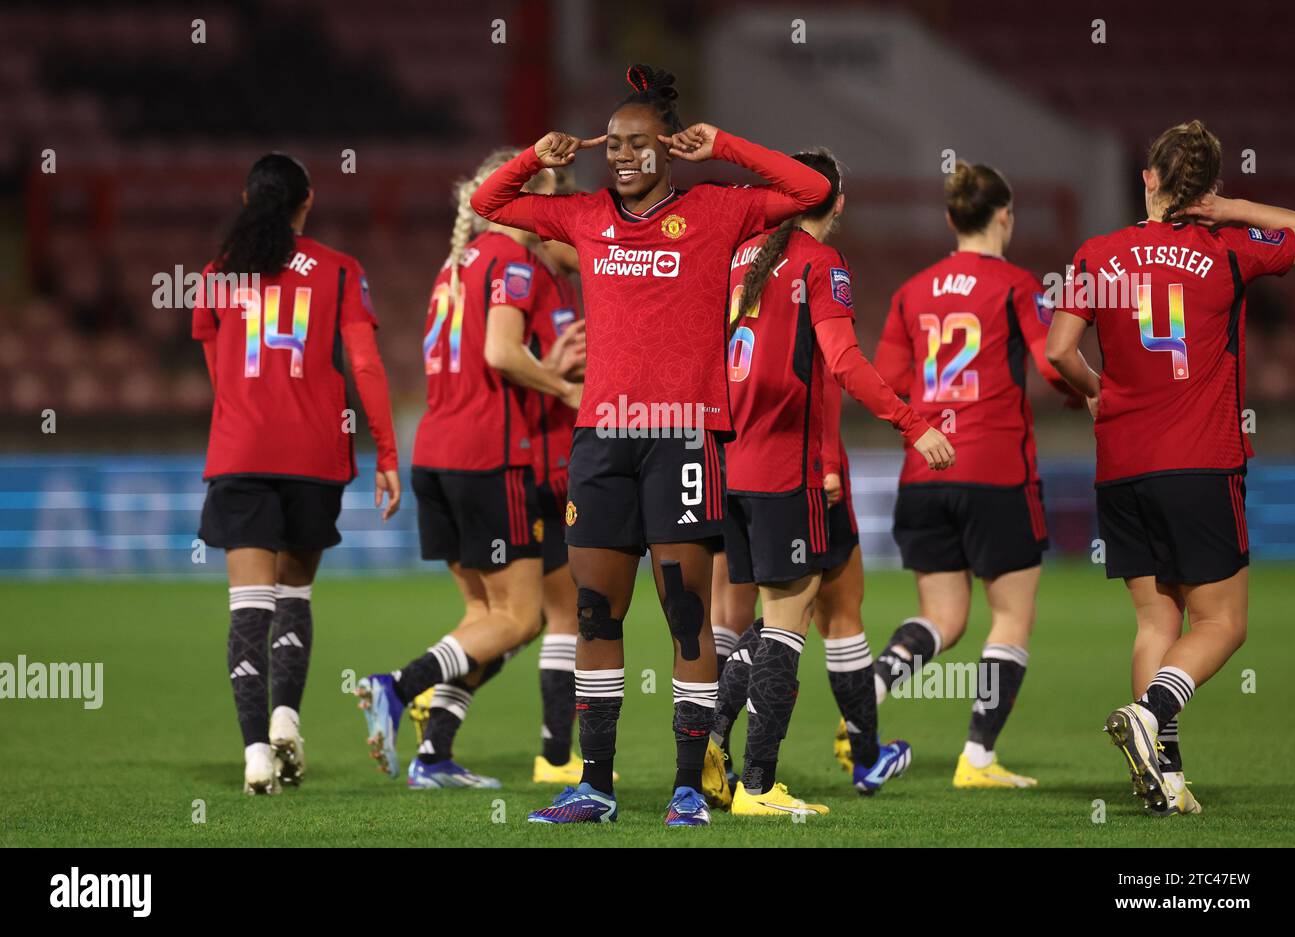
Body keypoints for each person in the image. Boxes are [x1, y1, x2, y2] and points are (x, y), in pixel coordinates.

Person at [471, 64, 833, 826]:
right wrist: (538, 157)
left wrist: (725, 144)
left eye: (641, 144)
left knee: (685, 615)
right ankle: (595, 785)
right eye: (616, 145)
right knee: (598, 614)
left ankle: (687, 789)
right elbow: (486, 202)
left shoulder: (714, 210)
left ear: (668, 149)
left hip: (681, 439)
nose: (626, 156)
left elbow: (810, 192)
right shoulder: (582, 214)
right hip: (602, 439)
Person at [1045, 121, 1295, 815]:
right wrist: (1240, 210)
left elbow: (1059, 350)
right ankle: (1152, 713)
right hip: (1201, 460)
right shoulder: (1229, 247)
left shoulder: (1098, 253)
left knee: (1157, 622)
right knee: (1223, 624)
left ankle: (1165, 773)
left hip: (1122, 465)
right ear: (1209, 189)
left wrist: (1095, 392)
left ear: (1148, 179)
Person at [701, 150, 952, 817]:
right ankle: (757, 783)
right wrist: (910, 420)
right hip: (791, 470)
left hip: (733, 468)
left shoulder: (738, 259)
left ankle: (715, 743)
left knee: (787, 615)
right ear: (834, 202)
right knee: (791, 624)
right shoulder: (820, 265)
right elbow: (842, 362)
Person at [354, 150, 583, 786]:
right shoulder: (514, 261)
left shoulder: (456, 263)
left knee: (488, 621)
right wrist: (564, 388)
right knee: (519, 618)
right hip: (492, 458)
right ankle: (398, 687)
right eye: (550, 195)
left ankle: (434, 755)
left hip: (437, 451)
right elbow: (501, 352)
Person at [193, 153, 400, 794]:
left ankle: (256, 750)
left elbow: (217, 372)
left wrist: (245, 423)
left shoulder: (214, 277)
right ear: (306, 202)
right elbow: (364, 365)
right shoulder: (340, 270)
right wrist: (387, 453)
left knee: (248, 609)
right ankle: (287, 720)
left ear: (247, 199)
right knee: (296, 598)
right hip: (315, 457)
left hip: (242, 456)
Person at [871, 160, 1075, 789]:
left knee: (944, 619)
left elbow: (885, 381)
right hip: (995, 469)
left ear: (950, 219)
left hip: (925, 471)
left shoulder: (912, 290)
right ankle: (977, 760)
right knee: (1009, 617)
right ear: (1004, 216)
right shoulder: (1018, 286)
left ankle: (867, 696)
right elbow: (1053, 365)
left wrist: (931, 424)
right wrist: (1089, 394)